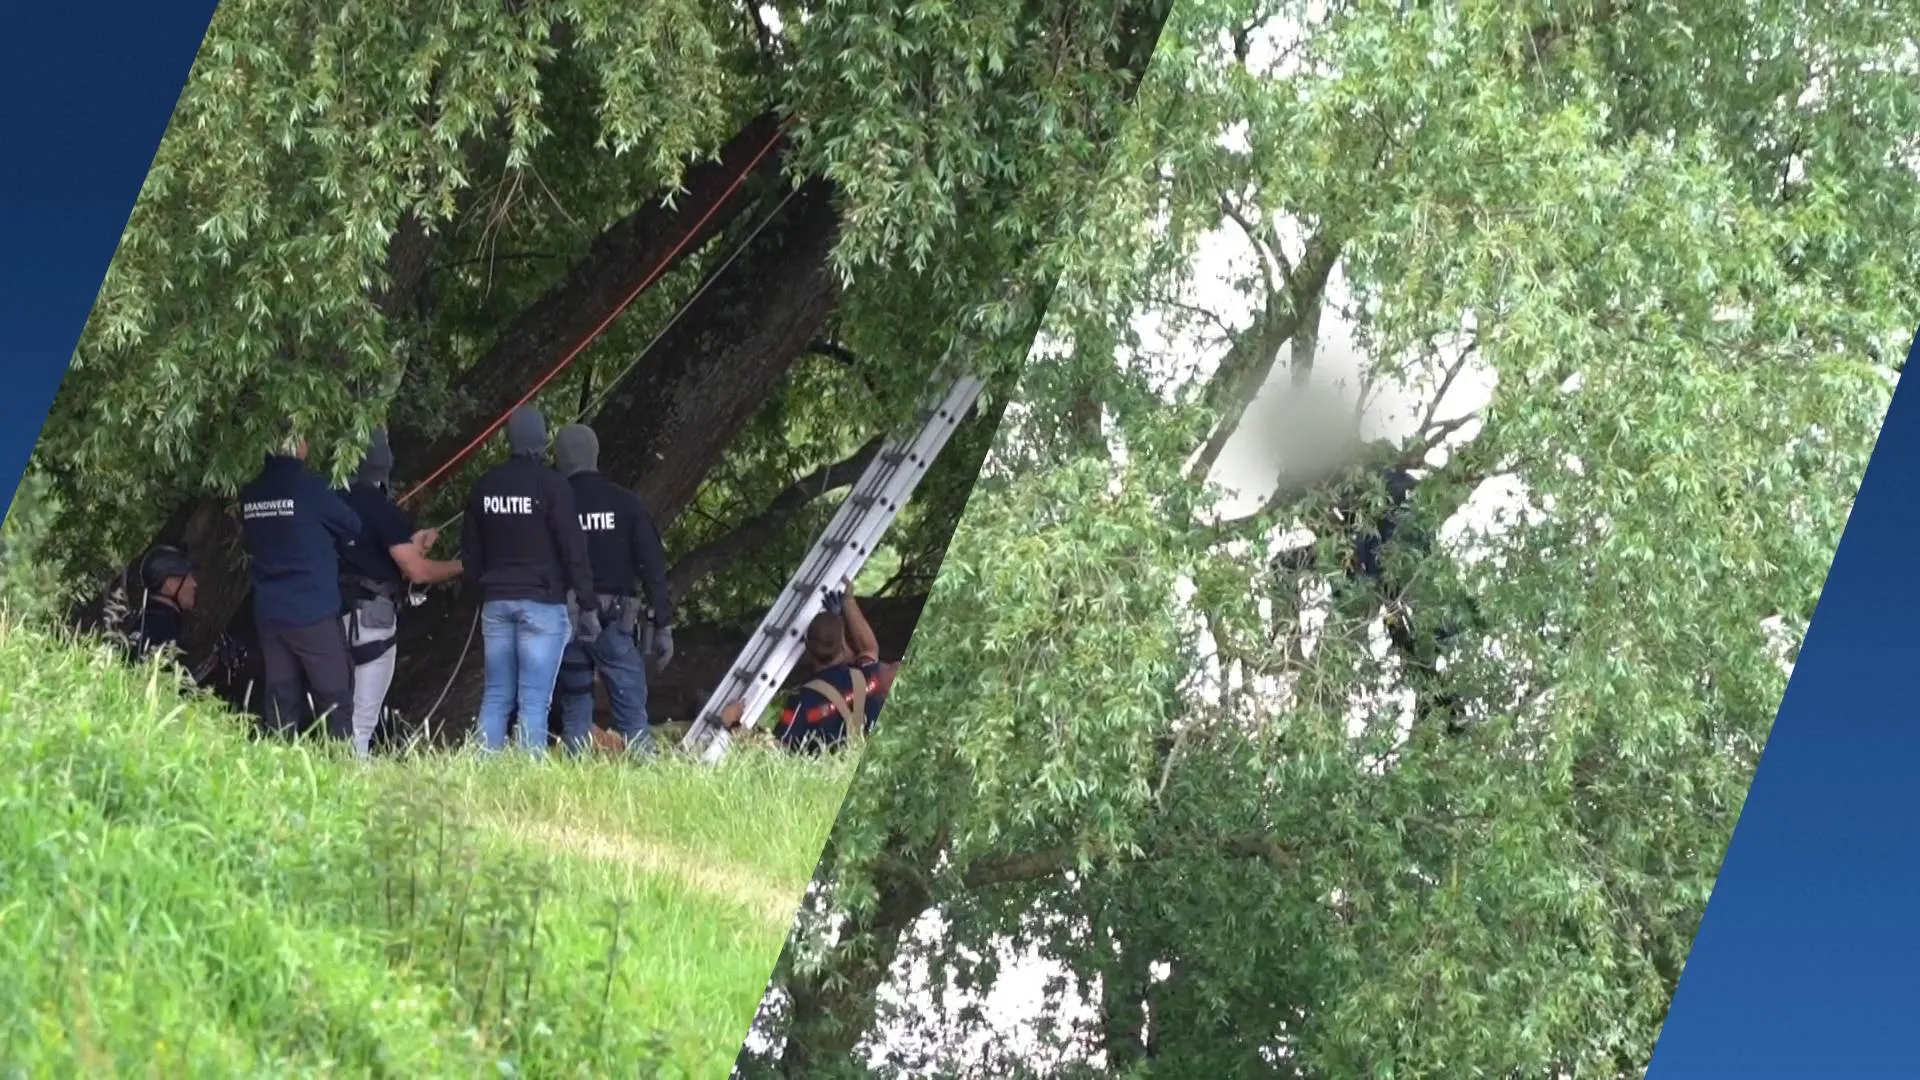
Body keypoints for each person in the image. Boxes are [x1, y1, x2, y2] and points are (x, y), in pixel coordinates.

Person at [460, 406, 597, 755]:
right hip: (542, 603)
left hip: (496, 601)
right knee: (534, 703)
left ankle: (483, 772)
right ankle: (528, 780)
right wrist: (587, 601)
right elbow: (573, 548)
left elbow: (471, 554)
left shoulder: (485, 485)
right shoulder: (553, 485)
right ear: (542, 440)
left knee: (495, 697)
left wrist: (479, 592)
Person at [336, 427, 464, 758]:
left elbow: (374, 551)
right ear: (384, 464)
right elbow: (417, 571)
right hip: (372, 621)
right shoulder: (381, 509)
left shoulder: (334, 501)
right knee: (362, 721)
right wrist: (460, 566)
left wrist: (412, 544)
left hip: (333, 617)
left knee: (337, 714)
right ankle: (353, 788)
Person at [549, 423, 677, 756]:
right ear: (595, 455)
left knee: (575, 712)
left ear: (559, 458)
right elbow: (653, 566)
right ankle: (649, 786)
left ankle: (570, 789)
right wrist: (663, 624)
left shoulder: (551, 503)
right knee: (633, 717)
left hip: (565, 626)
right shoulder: (625, 503)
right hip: (615, 626)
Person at [238, 424, 364, 739]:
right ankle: (340, 772)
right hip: (311, 611)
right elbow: (352, 526)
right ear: (300, 445)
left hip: (269, 611)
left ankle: (279, 770)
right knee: (335, 698)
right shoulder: (309, 489)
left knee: (280, 699)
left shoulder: (252, 493)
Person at [724, 581, 899, 754]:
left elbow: (776, 751)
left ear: (806, 646)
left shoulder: (801, 703)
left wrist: (733, 724)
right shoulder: (872, 677)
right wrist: (848, 601)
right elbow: (869, 649)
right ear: (843, 645)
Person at [120, 544, 198, 662]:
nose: (194, 584)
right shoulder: (166, 629)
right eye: (188, 578)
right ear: (171, 584)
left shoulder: (140, 623)